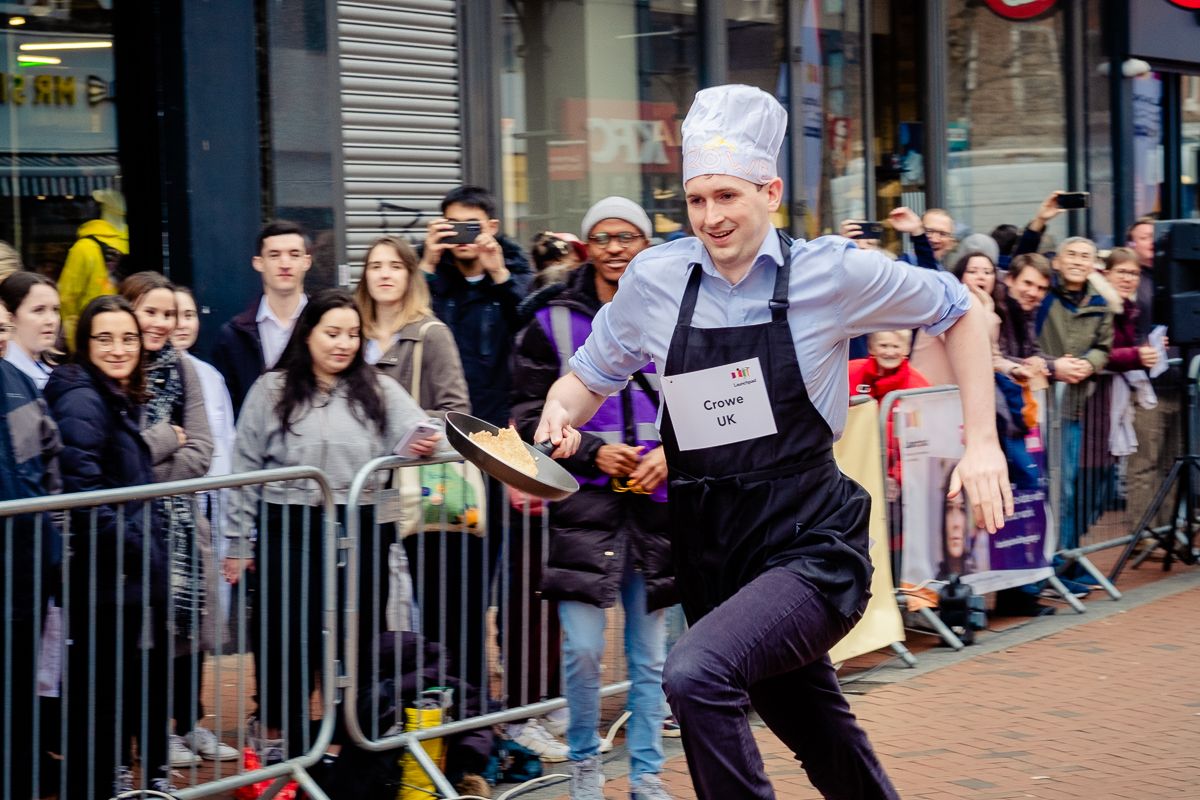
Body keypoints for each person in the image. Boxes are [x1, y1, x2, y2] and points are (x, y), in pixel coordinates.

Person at [534, 84, 1010, 800]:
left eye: (727, 196)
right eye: (696, 200)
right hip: (712, 550)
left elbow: (960, 309)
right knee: (818, 729)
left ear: (772, 190)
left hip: (810, 543)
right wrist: (556, 413)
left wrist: (983, 444)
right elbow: (589, 376)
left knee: (696, 674)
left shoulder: (831, 271)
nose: (711, 217)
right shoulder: (654, 279)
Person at [222, 289, 437, 761]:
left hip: (361, 529)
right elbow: (244, 468)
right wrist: (237, 542)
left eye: (353, 334)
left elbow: (423, 430)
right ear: (308, 333)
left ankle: (352, 739)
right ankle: (282, 739)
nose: (343, 343)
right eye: (332, 332)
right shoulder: (271, 389)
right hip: (289, 528)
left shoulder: (377, 387)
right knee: (287, 635)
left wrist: (421, 443)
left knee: (357, 636)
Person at [512, 196, 675, 796]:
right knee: (581, 651)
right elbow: (528, 414)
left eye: (627, 236)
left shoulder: (679, 314)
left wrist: (671, 455)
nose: (615, 247)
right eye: (603, 237)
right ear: (587, 247)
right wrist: (590, 453)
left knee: (650, 659)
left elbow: (707, 406)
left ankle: (648, 777)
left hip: (656, 511)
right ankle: (585, 766)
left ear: (645, 246)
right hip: (583, 510)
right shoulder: (550, 321)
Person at [44, 295, 173, 796]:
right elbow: (86, 497)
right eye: (105, 338)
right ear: (85, 343)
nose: (119, 349)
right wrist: (141, 549)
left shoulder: (110, 394)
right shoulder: (83, 398)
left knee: (106, 700)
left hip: (117, 577)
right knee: (97, 703)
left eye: (128, 338)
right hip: (104, 579)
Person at [118, 272, 237, 767]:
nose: (162, 322)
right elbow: (119, 458)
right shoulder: (115, 365)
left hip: (184, 524)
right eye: (151, 311)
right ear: (129, 310)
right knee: (147, 638)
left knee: (188, 631)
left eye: (170, 313)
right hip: (131, 528)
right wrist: (169, 438)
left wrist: (148, 458)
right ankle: (150, 735)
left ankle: (188, 725)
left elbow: (205, 451)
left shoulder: (184, 370)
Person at [0, 301, 61, 800]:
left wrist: (53, 546)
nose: (1, 336)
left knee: (19, 684)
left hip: (26, 562)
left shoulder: (16, 382)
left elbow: (41, 463)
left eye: (2, 327)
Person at [418, 185, 533, 428]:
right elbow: (405, 318)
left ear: (492, 227)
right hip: (440, 417)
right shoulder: (430, 275)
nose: (462, 236)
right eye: (454, 226)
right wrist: (427, 265)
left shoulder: (516, 274)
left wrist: (500, 274)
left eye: (471, 226)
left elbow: (528, 330)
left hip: (501, 419)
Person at [173, 285, 241, 660]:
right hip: (176, 509)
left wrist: (238, 534)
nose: (181, 324)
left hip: (213, 508)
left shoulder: (211, 376)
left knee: (205, 612)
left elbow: (227, 449)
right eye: (173, 314)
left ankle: (193, 712)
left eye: (189, 315)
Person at [1037, 236, 1113, 554]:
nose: (1079, 261)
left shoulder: (1101, 303)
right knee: (1039, 488)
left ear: (1094, 264)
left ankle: (1063, 558)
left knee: (1065, 488)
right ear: (1057, 261)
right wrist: (1056, 367)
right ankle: (1040, 563)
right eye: (1072, 254)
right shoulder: (1042, 294)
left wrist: (1088, 364)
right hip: (1036, 405)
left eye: (1086, 256)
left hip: (1071, 408)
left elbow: (1103, 347)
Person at [356, 235, 470, 419]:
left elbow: (456, 412)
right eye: (375, 266)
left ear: (410, 275)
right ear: (365, 276)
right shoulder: (353, 334)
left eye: (396, 266)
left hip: (409, 447)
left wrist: (407, 424)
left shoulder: (433, 334)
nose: (385, 274)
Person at [212, 220, 312, 416]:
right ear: (259, 263)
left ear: (306, 262)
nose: (285, 264)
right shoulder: (233, 336)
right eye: (274, 255)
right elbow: (227, 407)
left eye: (294, 254)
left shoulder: (325, 324)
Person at [57, 188, 130, 348]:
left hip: (93, 339)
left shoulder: (84, 248)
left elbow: (66, 300)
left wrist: (75, 346)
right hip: (128, 340)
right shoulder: (130, 245)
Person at [1, 271, 62, 389]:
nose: (52, 320)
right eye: (39, 310)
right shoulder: (8, 379)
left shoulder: (48, 370)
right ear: (11, 317)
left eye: (55, 310)